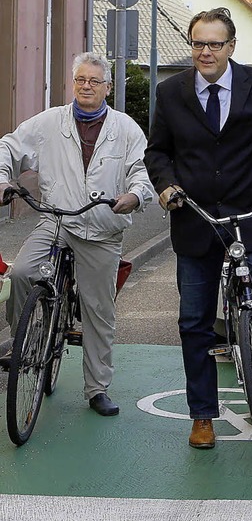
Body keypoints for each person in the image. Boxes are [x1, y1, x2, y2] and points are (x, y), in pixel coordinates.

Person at [144, 7, 252, 449]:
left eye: (214, 44)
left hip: (251, 218)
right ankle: (202, 415)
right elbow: (157, 153)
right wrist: (165, 187)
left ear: (231, 47)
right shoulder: (170, 92)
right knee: (194, 323)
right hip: (196, 218)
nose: (205, 52)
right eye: (198, 43)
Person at [0, 52, 154, 416]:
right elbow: (9, 145)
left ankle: (97, 388)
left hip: (101, 226)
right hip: (56, 220)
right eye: (81, 80)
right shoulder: (50, 122)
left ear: (108, 88)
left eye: (94, 81)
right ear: (73, 83)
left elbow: (142, 172)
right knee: (21, 273)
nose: (86, 86)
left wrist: (134, 196)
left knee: (98, 310)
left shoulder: (127, 129)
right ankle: (26, 341)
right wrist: (3, 180)